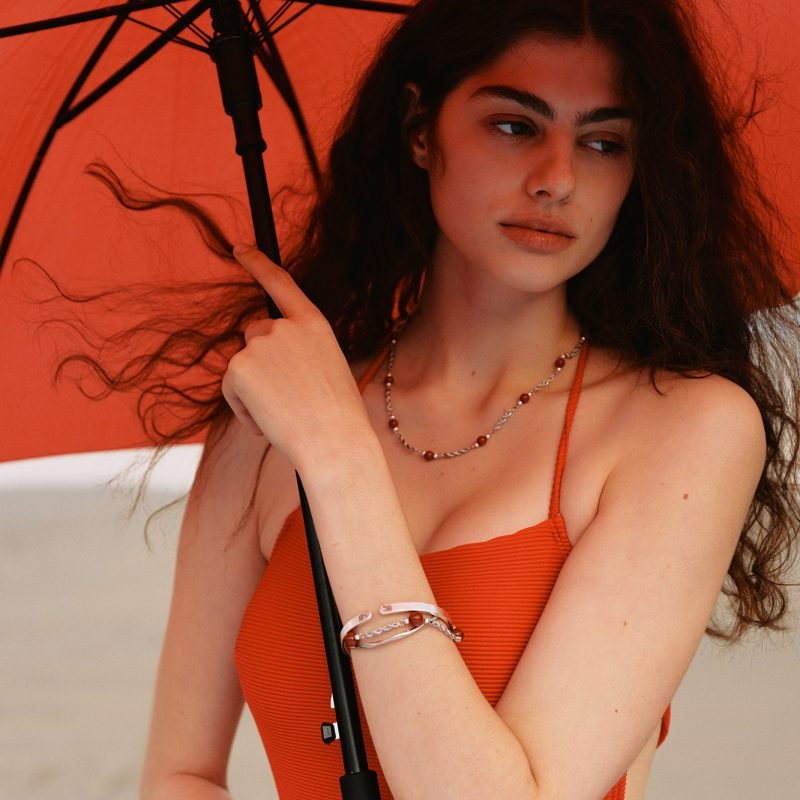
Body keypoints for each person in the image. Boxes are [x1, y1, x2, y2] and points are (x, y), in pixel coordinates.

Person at [135, 1, 799, 798]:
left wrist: (343, 462)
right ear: (421, 129)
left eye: (603, 142)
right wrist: (320, 428)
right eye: (515, 126)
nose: (557, 178)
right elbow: (181, 773)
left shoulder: (686, 430)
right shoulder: (270, 424)